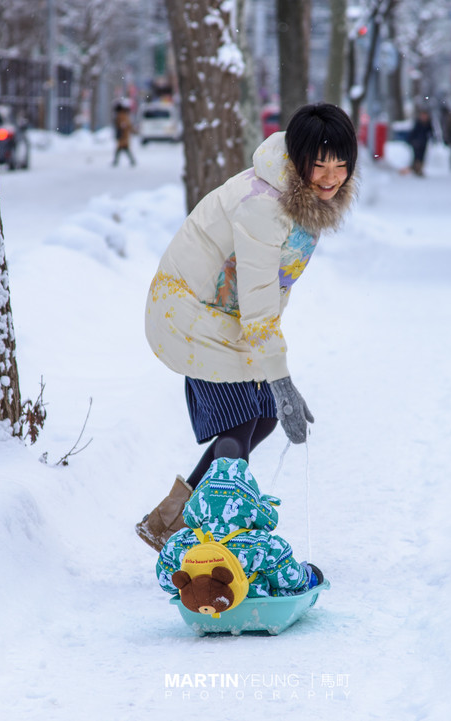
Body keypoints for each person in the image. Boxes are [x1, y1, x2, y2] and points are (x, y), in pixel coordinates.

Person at [135, 102, 358, 551]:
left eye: (340, 163)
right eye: (319, 164)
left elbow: (268, 293)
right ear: (298, 161)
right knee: (241, 418)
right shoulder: (263, 206)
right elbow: (258, 301)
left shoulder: (301, 199)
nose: (331, 176)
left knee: (263, 418)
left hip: (223, 315)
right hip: (188, 313)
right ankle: (213, 536)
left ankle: (169, 522)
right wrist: (282, 380)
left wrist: (275, 381)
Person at [156, 457, 323, 601]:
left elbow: (166, 579)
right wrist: (303, 578)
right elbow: (285, 573)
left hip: (199, 607)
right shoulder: (257, 543)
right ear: (252, 507)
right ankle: (306, 581)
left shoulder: (181, 542)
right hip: (251, 606)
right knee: (282, 585)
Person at [406, 107, 437, 176]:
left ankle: (418, 169)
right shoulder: (418, 123)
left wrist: (433, 139)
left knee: (422, 156)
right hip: (416, 142)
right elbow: (413, 132)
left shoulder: (428, 123)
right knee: (417, 156)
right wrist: (411, 140)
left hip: (424, 142)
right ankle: (417, 169)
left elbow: (431, 132)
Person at [112, 101, 136, 167]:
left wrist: (122, 131)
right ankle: (131, 160)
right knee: (123, 148)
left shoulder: (121, 115)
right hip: (124, 135)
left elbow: (124, 125)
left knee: (122, 148)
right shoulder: (123, 114)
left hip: (123, 135)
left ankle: (116, 161)